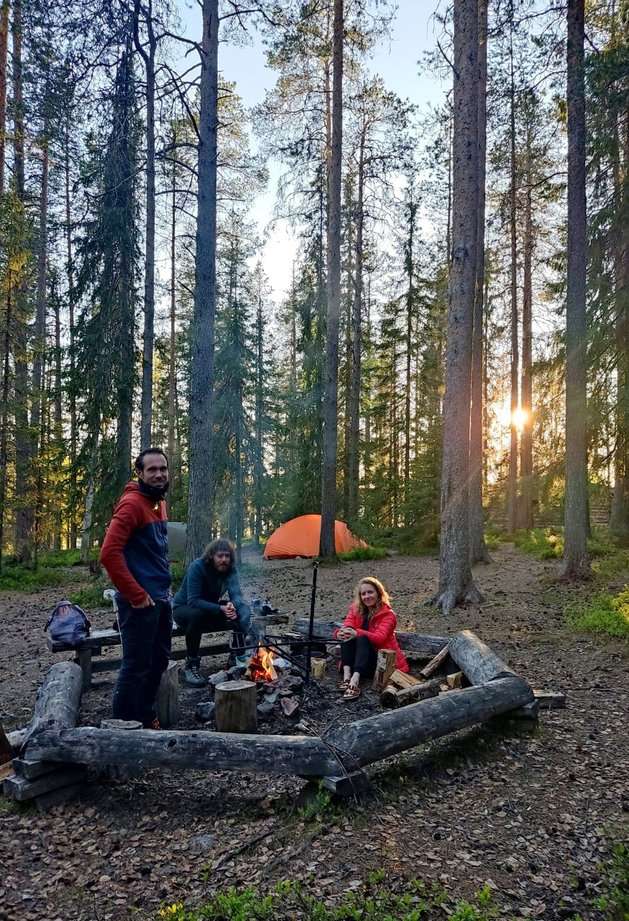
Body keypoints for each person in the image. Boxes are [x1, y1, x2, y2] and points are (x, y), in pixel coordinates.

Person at [100, 448, 172, 728]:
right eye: (152, 470)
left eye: (163, 469)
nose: (158, 474)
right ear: (140, 473)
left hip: (161, 597)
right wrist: (136, 594)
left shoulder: (157, 502)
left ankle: (143, 714)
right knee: (136, 666)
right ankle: (122, 728)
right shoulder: (132, 504)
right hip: (140, 602)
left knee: (158, 660)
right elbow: (109, 553)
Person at [173, 538, 252, 687]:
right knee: (197, 615)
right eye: (220, 556)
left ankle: (237, 656)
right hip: (183, 609)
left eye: (227, 556)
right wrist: (220, 608)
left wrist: (232, 606)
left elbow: (238, 596)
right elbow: (193, 601)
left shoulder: (230, 570)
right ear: (211, 556)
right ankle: (191, 665)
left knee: (244, 610)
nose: (224, 560)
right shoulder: (198, 567)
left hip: (210, 608)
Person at [335, 576, 409, 700]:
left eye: (370, 592)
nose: (367, 596)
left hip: (379, 663)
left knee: (362, 637)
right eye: (363, 594)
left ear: (378, 593)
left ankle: (354, 681)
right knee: (347, 635)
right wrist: (339, 633)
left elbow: (379, 638)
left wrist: (356, 632)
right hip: (359, 661)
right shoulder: (355, 608)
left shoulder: (388, 615)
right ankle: (346, 677)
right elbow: (347, 625)